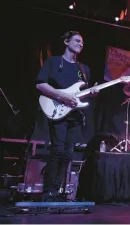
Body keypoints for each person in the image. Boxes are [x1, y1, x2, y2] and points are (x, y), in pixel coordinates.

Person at [36, 31, 98, 201]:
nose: (81, 44)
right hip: (57, 111)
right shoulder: (53, 61)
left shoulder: (84, 69)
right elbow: (41, 85)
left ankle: (59, 192)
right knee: (57, 151)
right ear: (66, 41)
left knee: (68, 155)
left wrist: (92, 92)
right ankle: (48, 192)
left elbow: (80, 95)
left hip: (75, 116)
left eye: (82, 42)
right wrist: (61, 96)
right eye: (77, 40)